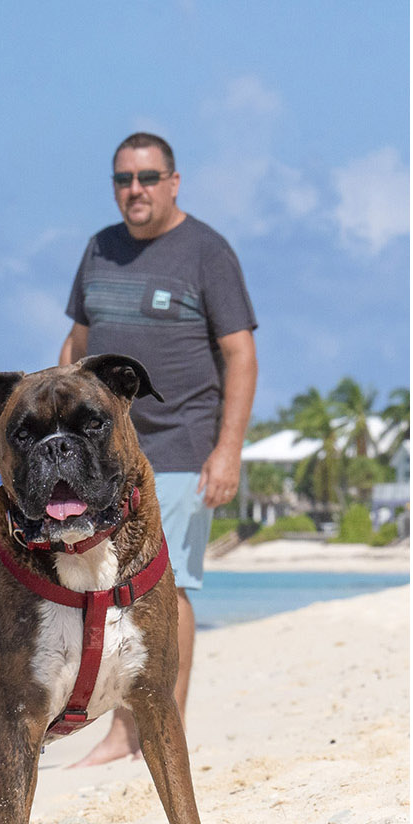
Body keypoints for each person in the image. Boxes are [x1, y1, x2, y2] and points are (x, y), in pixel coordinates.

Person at [58, 131, 259, 767]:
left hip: (179, 448)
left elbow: (240, 355)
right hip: (100, 457)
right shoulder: (100, 249)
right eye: (123, 180)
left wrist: (227, 451)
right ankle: (128, 731)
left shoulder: (207, 253)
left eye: (147, 178)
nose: (135, 191)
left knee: (163, 591)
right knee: (109, 587)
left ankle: (150, 731)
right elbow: (75, 343)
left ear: (174, 182)